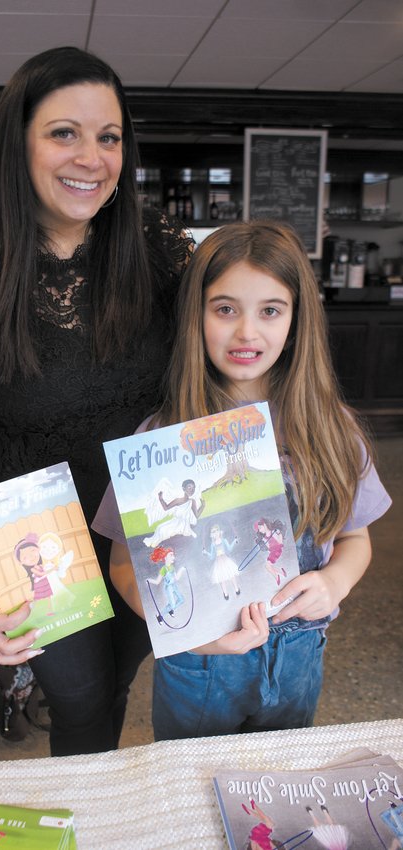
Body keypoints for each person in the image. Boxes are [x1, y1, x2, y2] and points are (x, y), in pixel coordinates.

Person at [0, 45, 194, 756]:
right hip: (36, 537)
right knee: (76, 701)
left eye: (108, 137)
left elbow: (223, 369)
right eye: (63, 132)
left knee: (118, 683)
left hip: (150, 519)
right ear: (19, 143)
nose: (92, 157)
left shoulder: (162, 251)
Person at [93, 220, 391, 740]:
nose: (247, 332)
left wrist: (334, 581)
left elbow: (355, 538)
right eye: (225, 308)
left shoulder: (332, 428)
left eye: (270, 310)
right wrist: (189, 635)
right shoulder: (162, 437)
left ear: (297, 321)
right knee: (191, 790)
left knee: (273, 792)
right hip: (199, 666)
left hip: (299, 659)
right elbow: (123, 567)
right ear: (196, 316)